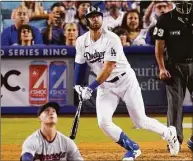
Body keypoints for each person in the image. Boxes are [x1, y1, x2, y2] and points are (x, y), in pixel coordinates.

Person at [74, 6, 180, 160]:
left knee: (140, 121)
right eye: (92, 16)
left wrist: (89, 88)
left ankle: (169, 133)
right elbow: (80, 65)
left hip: (125, 81)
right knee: (103, 122)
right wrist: (78, 86)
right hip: (105, 86)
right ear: (86, 20)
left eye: (98, 15)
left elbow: (109, 68)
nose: (95, 19)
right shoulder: (81, 41)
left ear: (102, 18)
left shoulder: (111, 38)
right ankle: (133, 148)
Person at [154, 1, 193, 151]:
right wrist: (162, 68)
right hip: (174, 66)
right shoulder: (165, 19)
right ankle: (174, 140)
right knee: (175, 104)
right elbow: (159, 45)